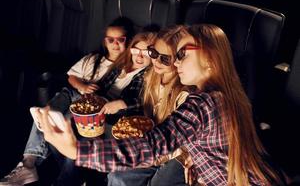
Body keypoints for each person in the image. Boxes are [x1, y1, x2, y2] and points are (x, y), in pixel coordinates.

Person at [37, 24, 284, 185]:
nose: (175, 63)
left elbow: (153, 145)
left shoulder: (202, 103)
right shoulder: (230, 96)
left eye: (181, 54)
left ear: (211, 59)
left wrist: (78, 151)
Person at [0, 16, 134, 186]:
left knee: (70, 123)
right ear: (104, 42)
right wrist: (83, 86)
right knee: (47, 111)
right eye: (111, 40)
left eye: (120, 40)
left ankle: (63, 176)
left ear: (128, 41)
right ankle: (29, 163)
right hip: (74, 94)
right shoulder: (94, 59)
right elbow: (71, 76)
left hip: (94, 108)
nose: (115, 44)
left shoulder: (126, 67)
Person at [51, 30, 157, 186]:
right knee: (60, 133)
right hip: (99, 111)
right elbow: (102, 87)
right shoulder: (120, 65)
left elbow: (144, 101)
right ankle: (82, 177)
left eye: (146, 52)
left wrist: (123, 104)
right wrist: (91, 96)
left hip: (115, 121)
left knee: (78, 145)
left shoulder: (149, 74)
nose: (140, 56)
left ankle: (67, 181)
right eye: (136, 50)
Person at [107, 25, 190, 186]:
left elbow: (182, 143)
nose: (157, 61)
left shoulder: (184, 92)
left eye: (165, 58)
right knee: (115, 175)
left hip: (171, 151)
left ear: (179, 59)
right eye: (153, 53)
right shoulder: (150, 76)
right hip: (150, 143)